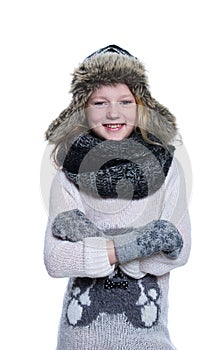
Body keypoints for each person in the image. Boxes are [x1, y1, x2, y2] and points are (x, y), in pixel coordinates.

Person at [44, 44, 191, 350]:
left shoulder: (168, 170)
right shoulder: (68, 174)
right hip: (78, 341)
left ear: (141, 107)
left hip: (148, 340)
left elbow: (179, 249)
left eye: (125, 101)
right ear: (82, 108)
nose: (113, 113)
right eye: (99, 102)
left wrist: (95, 245)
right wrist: (141, 244)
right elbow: (56, 259)